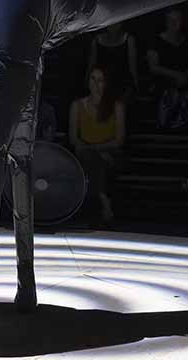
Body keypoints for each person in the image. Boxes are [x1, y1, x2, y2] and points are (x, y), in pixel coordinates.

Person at [68, 66, 127, 225]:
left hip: (111, 152)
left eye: (100, 80)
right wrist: (93, 150)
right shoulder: (77, 105)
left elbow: (119, 139)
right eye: (93, 79)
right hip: (86, 151)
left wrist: (99, 149)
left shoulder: (116, 106)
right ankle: (103, 198)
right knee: (91, 159)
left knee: (97, 160)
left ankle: (97, 201)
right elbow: (74, 137)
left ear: (106, 83)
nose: (96, 84)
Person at [147, 7, 188, 130]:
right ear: (166, 21)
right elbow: (153, 67)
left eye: (177, 20)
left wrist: (184, 75)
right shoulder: (155, 40)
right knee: (171, 95)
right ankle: (164, 124)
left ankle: (180, 124)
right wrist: (175, 75)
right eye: (171, 20)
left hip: (185, 82)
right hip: (163, 84)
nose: (174, 23)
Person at [88, 22, 140, 102]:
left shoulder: (128, 39)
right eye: (111, 24)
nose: (114, 26)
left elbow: (132, 67)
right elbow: (91, 65)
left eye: (117, 23)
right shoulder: (97, 40)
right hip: (102, 85)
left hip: (123, 84)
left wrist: (136, 86)